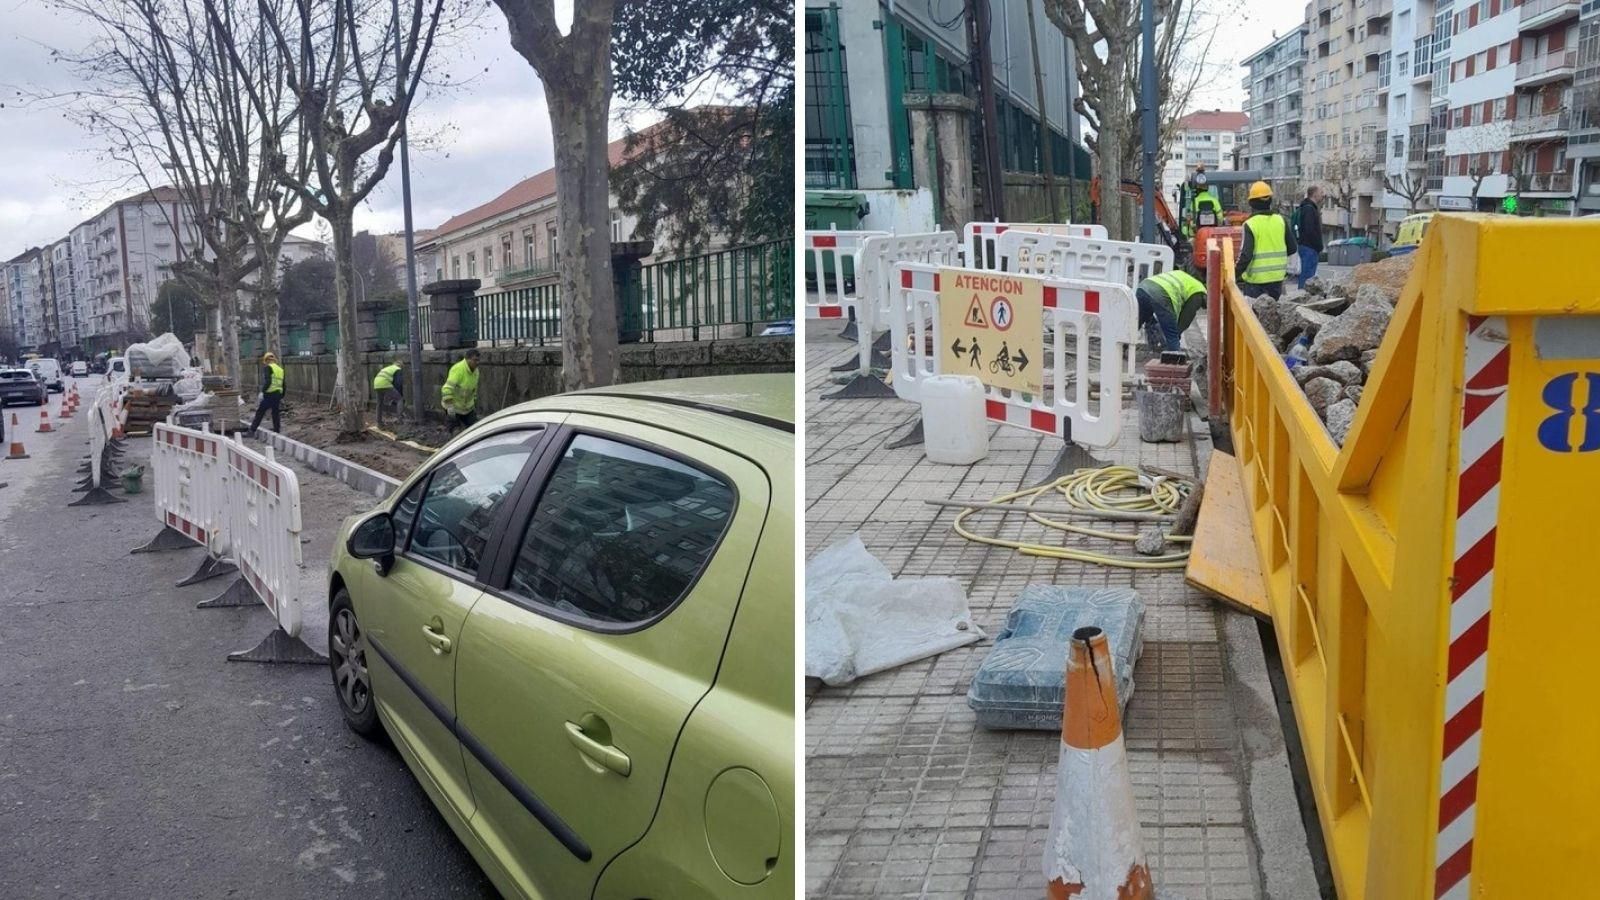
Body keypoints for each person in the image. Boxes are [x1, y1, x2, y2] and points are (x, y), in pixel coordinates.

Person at [1235, 181, 1298, 300]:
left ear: (1251, 203)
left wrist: (1234, 274)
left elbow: (1246, 256)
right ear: (1270, 200)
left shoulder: (1250, 224)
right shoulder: (1281, 221)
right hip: (1277, 281)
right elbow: (1292, 249)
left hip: (1255, 283)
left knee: (1253, 312)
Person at [1136, 268, 1208, 352]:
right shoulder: (1198, 293)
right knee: (1172, 335)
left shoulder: (1189, 281)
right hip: (1161, 294)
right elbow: (1185, 318)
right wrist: (1176, 335)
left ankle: (1124, 348)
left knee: (1135, 323)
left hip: (1143, 287)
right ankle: (1174, 356)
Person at [440, 349, 481, 432]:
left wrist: (474, 403)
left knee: (475, 429)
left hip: (467, 408)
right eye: (475, 360)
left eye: (478, 360)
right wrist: (450, 407)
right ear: (467, 359)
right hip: (454, 407)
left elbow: (474, 389)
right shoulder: (458, 369)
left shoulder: (476, 372)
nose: (477, 363)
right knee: (455, 430)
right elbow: (447, 389)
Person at [247, 352, 285, 437]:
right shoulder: (280, 369)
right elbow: (284, 384)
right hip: (277, 394)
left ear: (266, 360)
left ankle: (252, 431)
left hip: (269, 394)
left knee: (260, 412)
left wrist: (263, 391)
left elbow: (268, 381)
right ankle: (277, 431)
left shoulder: (268, 368)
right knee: (275, 413)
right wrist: (281, 395)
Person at [1296, 186, 1324, 290]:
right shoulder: (1309, 209)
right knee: (1307, 276)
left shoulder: (1309, 207)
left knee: (1308, 275)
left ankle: (1303, 293)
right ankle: (1302, 295)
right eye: (1321, 192)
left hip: (1308, 246)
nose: (1323, 195)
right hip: (1309, 247)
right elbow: (1309, 230)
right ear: (1314, 194)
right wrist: (1318, 245)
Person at [372, 361, 404, 428]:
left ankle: (379, 423)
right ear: (400, 366)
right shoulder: (398, 369)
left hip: (376, 384)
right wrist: (400, 394)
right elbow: (398, 383)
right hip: (385, 384)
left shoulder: (388, 368)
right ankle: (400, 420)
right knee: (400, 399)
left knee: (379, 403)